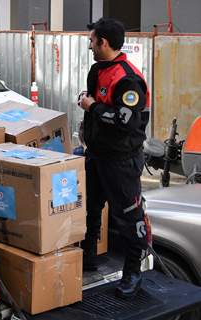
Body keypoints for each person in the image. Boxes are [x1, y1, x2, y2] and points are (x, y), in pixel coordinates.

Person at [78, 18, 150, 299]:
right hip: (96, 155)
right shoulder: (98, 69)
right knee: (91, 209)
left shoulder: (128, 78)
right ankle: (89, 255)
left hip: (121, 161)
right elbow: (98, 103)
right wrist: (89, 101)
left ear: (103, 43)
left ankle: (133, 272)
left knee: (129, 218)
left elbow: (125, 121)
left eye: (92, 41)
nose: (90, 46)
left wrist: (92, 106)